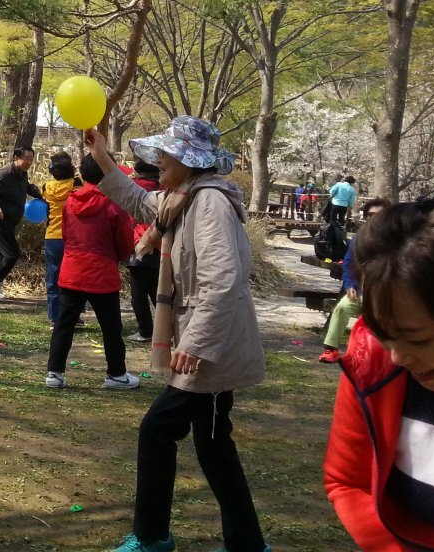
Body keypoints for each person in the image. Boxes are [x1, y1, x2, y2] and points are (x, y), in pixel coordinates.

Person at [86, 116, 269, 552]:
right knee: (213, 445)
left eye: (166, 153)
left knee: (158, 430)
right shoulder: (180, 199)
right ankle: (246, 544)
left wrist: (196, 343)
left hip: (211, 350)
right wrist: (102, 158)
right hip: (207, 345)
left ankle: (152, 537)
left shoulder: (209, 204)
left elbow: (222, 280)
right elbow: (139, 202)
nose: (158, 160)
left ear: (189, 160)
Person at [324, 198, 434, 549]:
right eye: (383, 333)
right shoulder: (374, 363)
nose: (398, 357)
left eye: (419, 339)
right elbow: (348, 482)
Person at [45, 154, 139, 391]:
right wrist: (114, 258)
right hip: (102, 272)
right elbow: (125, 242)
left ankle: (54, 373)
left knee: (64, 324)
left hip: (72, 270)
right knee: (111, 327)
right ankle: (116, 374)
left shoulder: (70, 201)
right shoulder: (114, 204)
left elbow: (66, 235)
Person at [318, 198, 390, 364]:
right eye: (370, 215)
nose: (374, 218)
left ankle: (379, 355)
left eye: (379, 215)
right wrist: (350, 285)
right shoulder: (359, 239)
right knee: (341, 308)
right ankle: (331, 349)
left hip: (385, 295)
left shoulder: (395, 239)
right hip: (360, 292)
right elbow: (348, 264)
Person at [0, 146, 42, 300]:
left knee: (0, 254)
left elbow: (25, 187)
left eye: (31, 159)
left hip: (10, 221)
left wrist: (39, 194)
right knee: (12, 254)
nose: (29, 162)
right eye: (26, 159)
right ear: (16, 158)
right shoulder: (4, 174)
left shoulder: (22, 173)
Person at [40, 151, 79, 323]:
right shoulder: (76, 184)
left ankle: (55, 317)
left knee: (53, 277)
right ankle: (73, 315)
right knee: (74, 278)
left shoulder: (46, 187)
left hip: (52, 236)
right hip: (72, 237)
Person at [126, 159, 162, 344]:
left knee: (138, 293)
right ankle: (170, 330)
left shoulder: (134, 187)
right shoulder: (167, 187)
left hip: (139, 242)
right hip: (163, 245)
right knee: (159, 291)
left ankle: (145, 330)